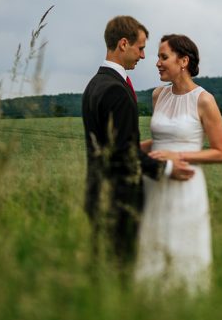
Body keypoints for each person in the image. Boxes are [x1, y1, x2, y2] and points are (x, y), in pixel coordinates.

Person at [82, 15, 194, 270]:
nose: (143, 56)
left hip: (97, 193)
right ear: (123, 44)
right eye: (140, 48)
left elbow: (110, 144)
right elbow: (122, 154)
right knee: (122, 271)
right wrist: (167, 168)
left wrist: (144, 145)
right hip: (119, 199)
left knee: (103, 271)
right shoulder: (115, 90)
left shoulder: (94, 85)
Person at [135, 33, 222, 292]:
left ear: (183, 61)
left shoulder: (204, 100)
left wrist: (178, 156)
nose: (157, 62)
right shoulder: (158, 96)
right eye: (158, 57)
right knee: (153, 248)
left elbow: (221, 152)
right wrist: (127, 148)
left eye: (163, 57)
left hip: (186, 184)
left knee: (184, 251)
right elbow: (160, 140)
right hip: (155, 182)